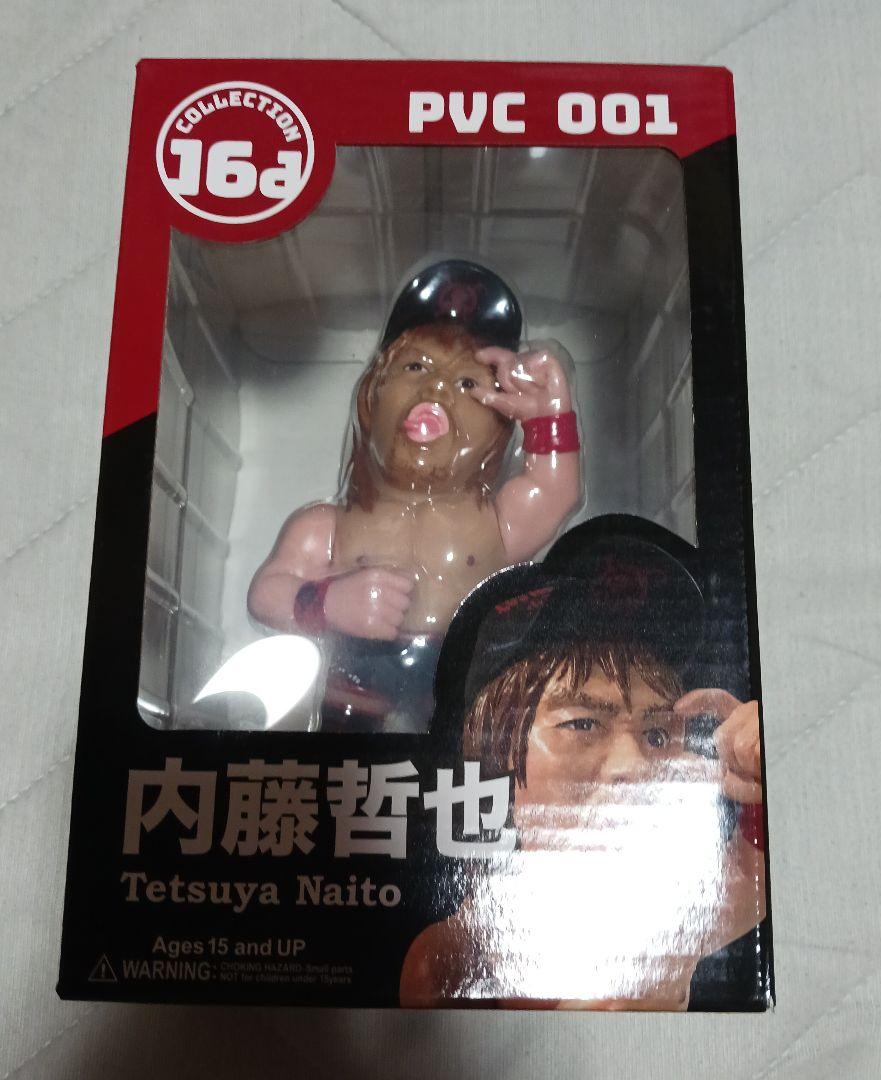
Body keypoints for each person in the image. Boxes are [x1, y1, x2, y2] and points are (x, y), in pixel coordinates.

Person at [399, 530, 767, 1009]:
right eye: (583, 723)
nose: (634, 767)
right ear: (500, 749)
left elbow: (753, 876)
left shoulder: (675, 902)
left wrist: (765, 770)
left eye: (657, 735)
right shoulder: (458, 958)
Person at [247, 259, 582, 732]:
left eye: (468, 383)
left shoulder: (495, 522)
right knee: (344, 753)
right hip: (357, 674)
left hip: (460, 672)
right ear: (372, 397)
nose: (437, 386)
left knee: (468, 747)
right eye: (415, 366)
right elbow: (267, 595)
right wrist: (329, 603)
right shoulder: (327, 527)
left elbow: (555, 491)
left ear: (499, 427)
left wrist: (549, 414)